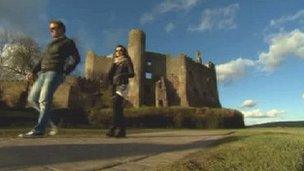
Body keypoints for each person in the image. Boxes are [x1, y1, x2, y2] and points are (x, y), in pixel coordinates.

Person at [18, 20, 80, 138]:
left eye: (54, 28)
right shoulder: (50, 44)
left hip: (54, 73)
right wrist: (32, 72)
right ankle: (54, 121)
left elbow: (76, 59)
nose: (52, 31)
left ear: (62, 29)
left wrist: (65, 71)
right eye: (50, 29)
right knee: (32, 99)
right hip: (42, 74)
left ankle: (39, 130)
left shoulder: (68, 42)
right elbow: (42, 60)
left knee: (44, 100)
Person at [106, 45, 134, 137]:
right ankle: (120, 130)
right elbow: (110, 75)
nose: (118, 52)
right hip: (114, 86)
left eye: (120, 50)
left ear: (124, 51)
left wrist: (122, 75)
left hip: (122, 85)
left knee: (117, 105)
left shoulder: (126, 61)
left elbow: (131, 73)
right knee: (117, 108)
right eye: (117, 50)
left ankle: (114, 128)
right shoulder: (114, 62)